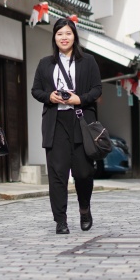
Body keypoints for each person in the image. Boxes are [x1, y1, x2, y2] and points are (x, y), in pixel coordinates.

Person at [31, 17, 103, 234]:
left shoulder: (88, 61)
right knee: (57, 174)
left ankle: (84, 209)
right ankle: (60, 220)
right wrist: (50, 97)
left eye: (68, 33)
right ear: (54, 37)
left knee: (83, 172)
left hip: (81, 121)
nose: (64, 37)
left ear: (75, 36)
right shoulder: (45, 63)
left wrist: (78, 99)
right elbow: (35, 90)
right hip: (56, 122)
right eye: (60, 33)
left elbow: (97, 89)